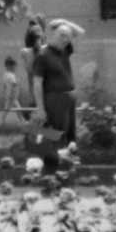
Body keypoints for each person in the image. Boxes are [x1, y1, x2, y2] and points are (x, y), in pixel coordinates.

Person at [30, 18, 86, 163]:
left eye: (67, 36)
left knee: (69, 136)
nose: (65, 39)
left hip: (68, 99)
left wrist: (65, 22)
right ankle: (54, 166)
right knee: (56, 134)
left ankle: (68, 164)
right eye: (62, 35)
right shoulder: (43, 55)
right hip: (54, 99)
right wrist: (40, 109)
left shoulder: (64, 51)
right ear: (52, 35)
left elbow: (80, 33)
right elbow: (37, 84)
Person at [0, 53, 29, 122]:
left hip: (11, 96)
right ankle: (3, 120)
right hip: (11, 96)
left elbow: (5, 85)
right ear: (9, 66)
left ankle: (4, 120)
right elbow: (14, 84)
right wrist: (20, 81)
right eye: (14, 67)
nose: (15, 68)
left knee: (10, 109)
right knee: (14, 109)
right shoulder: (10, 75)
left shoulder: (6, 74)